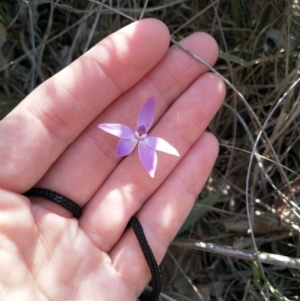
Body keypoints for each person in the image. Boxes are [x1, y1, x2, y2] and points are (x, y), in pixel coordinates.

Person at [0, 19, 225, 300]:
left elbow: (147, 148)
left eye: (144, 130)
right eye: (142, 130)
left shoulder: (147, 141)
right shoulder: (129, 134)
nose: (143, 131)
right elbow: (124, 140)